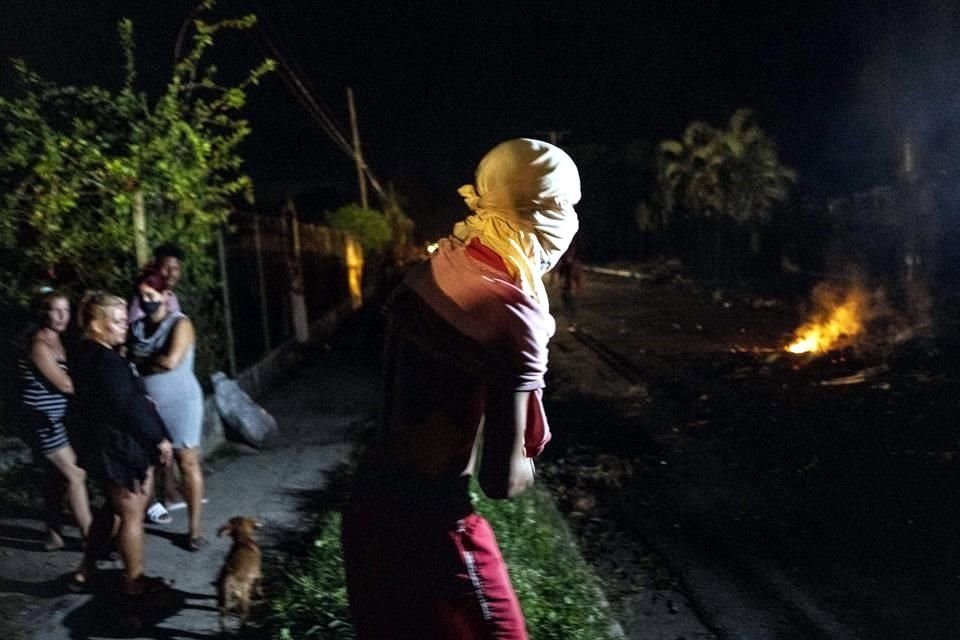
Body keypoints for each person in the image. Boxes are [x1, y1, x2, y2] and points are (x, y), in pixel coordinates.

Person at [341, 138, 581, 639]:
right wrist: (528, 458)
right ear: (543, 210)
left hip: (368, 504)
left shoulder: (440, 263)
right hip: (432, 525)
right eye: (566, 206)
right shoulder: (512, 311)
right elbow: (502, 480)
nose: (571, 222)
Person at [72, 291, 174, 595]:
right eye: (116, 322)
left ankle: (85, 570)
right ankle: (134, 583)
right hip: (118, 446)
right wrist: (159, 439)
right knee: (132, 513)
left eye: (123, 321)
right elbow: (127, 405)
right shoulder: (106, 361)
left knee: (111, 510)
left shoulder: (85, 353)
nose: (124, 327)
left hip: (101, 443)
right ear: (96, 323)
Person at [128, 271, 207, 551]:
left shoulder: (180, 324)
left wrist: (140, 360)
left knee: (187, 461)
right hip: (148, 405)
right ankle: (132, 526)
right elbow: (128, 359)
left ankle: (194, 531)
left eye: (152, 295)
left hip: (181, 402)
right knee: (146, 464)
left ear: (165, 295)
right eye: (143, 296)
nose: (147, 301)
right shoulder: (136, 327)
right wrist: (143, 361)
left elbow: (170, 362)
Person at [16, 288, 93, 560]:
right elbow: (64, 383)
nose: (62, 316)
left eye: (66, 310)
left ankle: (54, 534)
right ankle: (90, 539)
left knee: (59, 478)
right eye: (55, 310)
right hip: (42, 420)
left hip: (57, 418)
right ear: (42, 313)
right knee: (75, 474)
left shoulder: (59, 339)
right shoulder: (39, 344)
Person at [129, 243, 186, 524]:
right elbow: (134, 340)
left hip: (165, 382)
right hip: (144, 381)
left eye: (176, 267)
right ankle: (149, 504)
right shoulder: (144, 295)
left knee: (166, 442)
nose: (171, 272)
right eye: (166, 266)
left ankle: (170, 494)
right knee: (151, 442)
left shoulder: (172, 299)